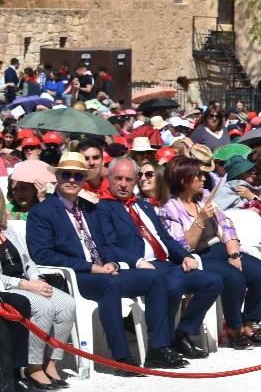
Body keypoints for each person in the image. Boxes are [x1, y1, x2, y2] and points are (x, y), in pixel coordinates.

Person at [26, 152, 184, 373]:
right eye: (66, 174)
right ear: (57, 178)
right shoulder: (41, 212)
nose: (72, 180)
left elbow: (106, 244)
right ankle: (120, 357)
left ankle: (158, 349)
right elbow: (42, 255)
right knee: (109, 285)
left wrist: (112, 263)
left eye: (78, 176)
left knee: (155, 276)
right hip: (74, 276)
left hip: (103, 271)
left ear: (83, 180)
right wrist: (91, 267)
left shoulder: (90, 209)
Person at [96, 158, 223, 361]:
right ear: (109, 179)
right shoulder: (104, 208)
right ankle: (159, 347)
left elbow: (166, 239)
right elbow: (109, 246)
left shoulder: (144, 207)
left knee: (212, 281)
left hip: (165, 263)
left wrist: (185, 255)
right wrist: (137, 261)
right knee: (171, 284)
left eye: (128, 179)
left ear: (135, 180)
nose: (123, 184)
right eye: (118, 178)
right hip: (140, 267)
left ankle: (181, 333)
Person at [159, 156, 261, 350]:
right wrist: (201, 219)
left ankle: (248, 326)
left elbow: (226, 225)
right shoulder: (169, 210)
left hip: (220, 249)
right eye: (198, 175)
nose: (203, 179)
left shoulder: (203, 197)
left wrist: (234, 254)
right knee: (233, 277)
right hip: (199, 256)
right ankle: (234, 330)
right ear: (183, 179)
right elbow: (184, 246)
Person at [0, 188, 76, 392]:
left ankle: (50, 362)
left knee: (66, 304)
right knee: (43, 307)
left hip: (26, 281)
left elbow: (28, 261)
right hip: (8, 287)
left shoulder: (7, 230)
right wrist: (26, 285)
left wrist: (34, 278)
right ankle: (33, 366)